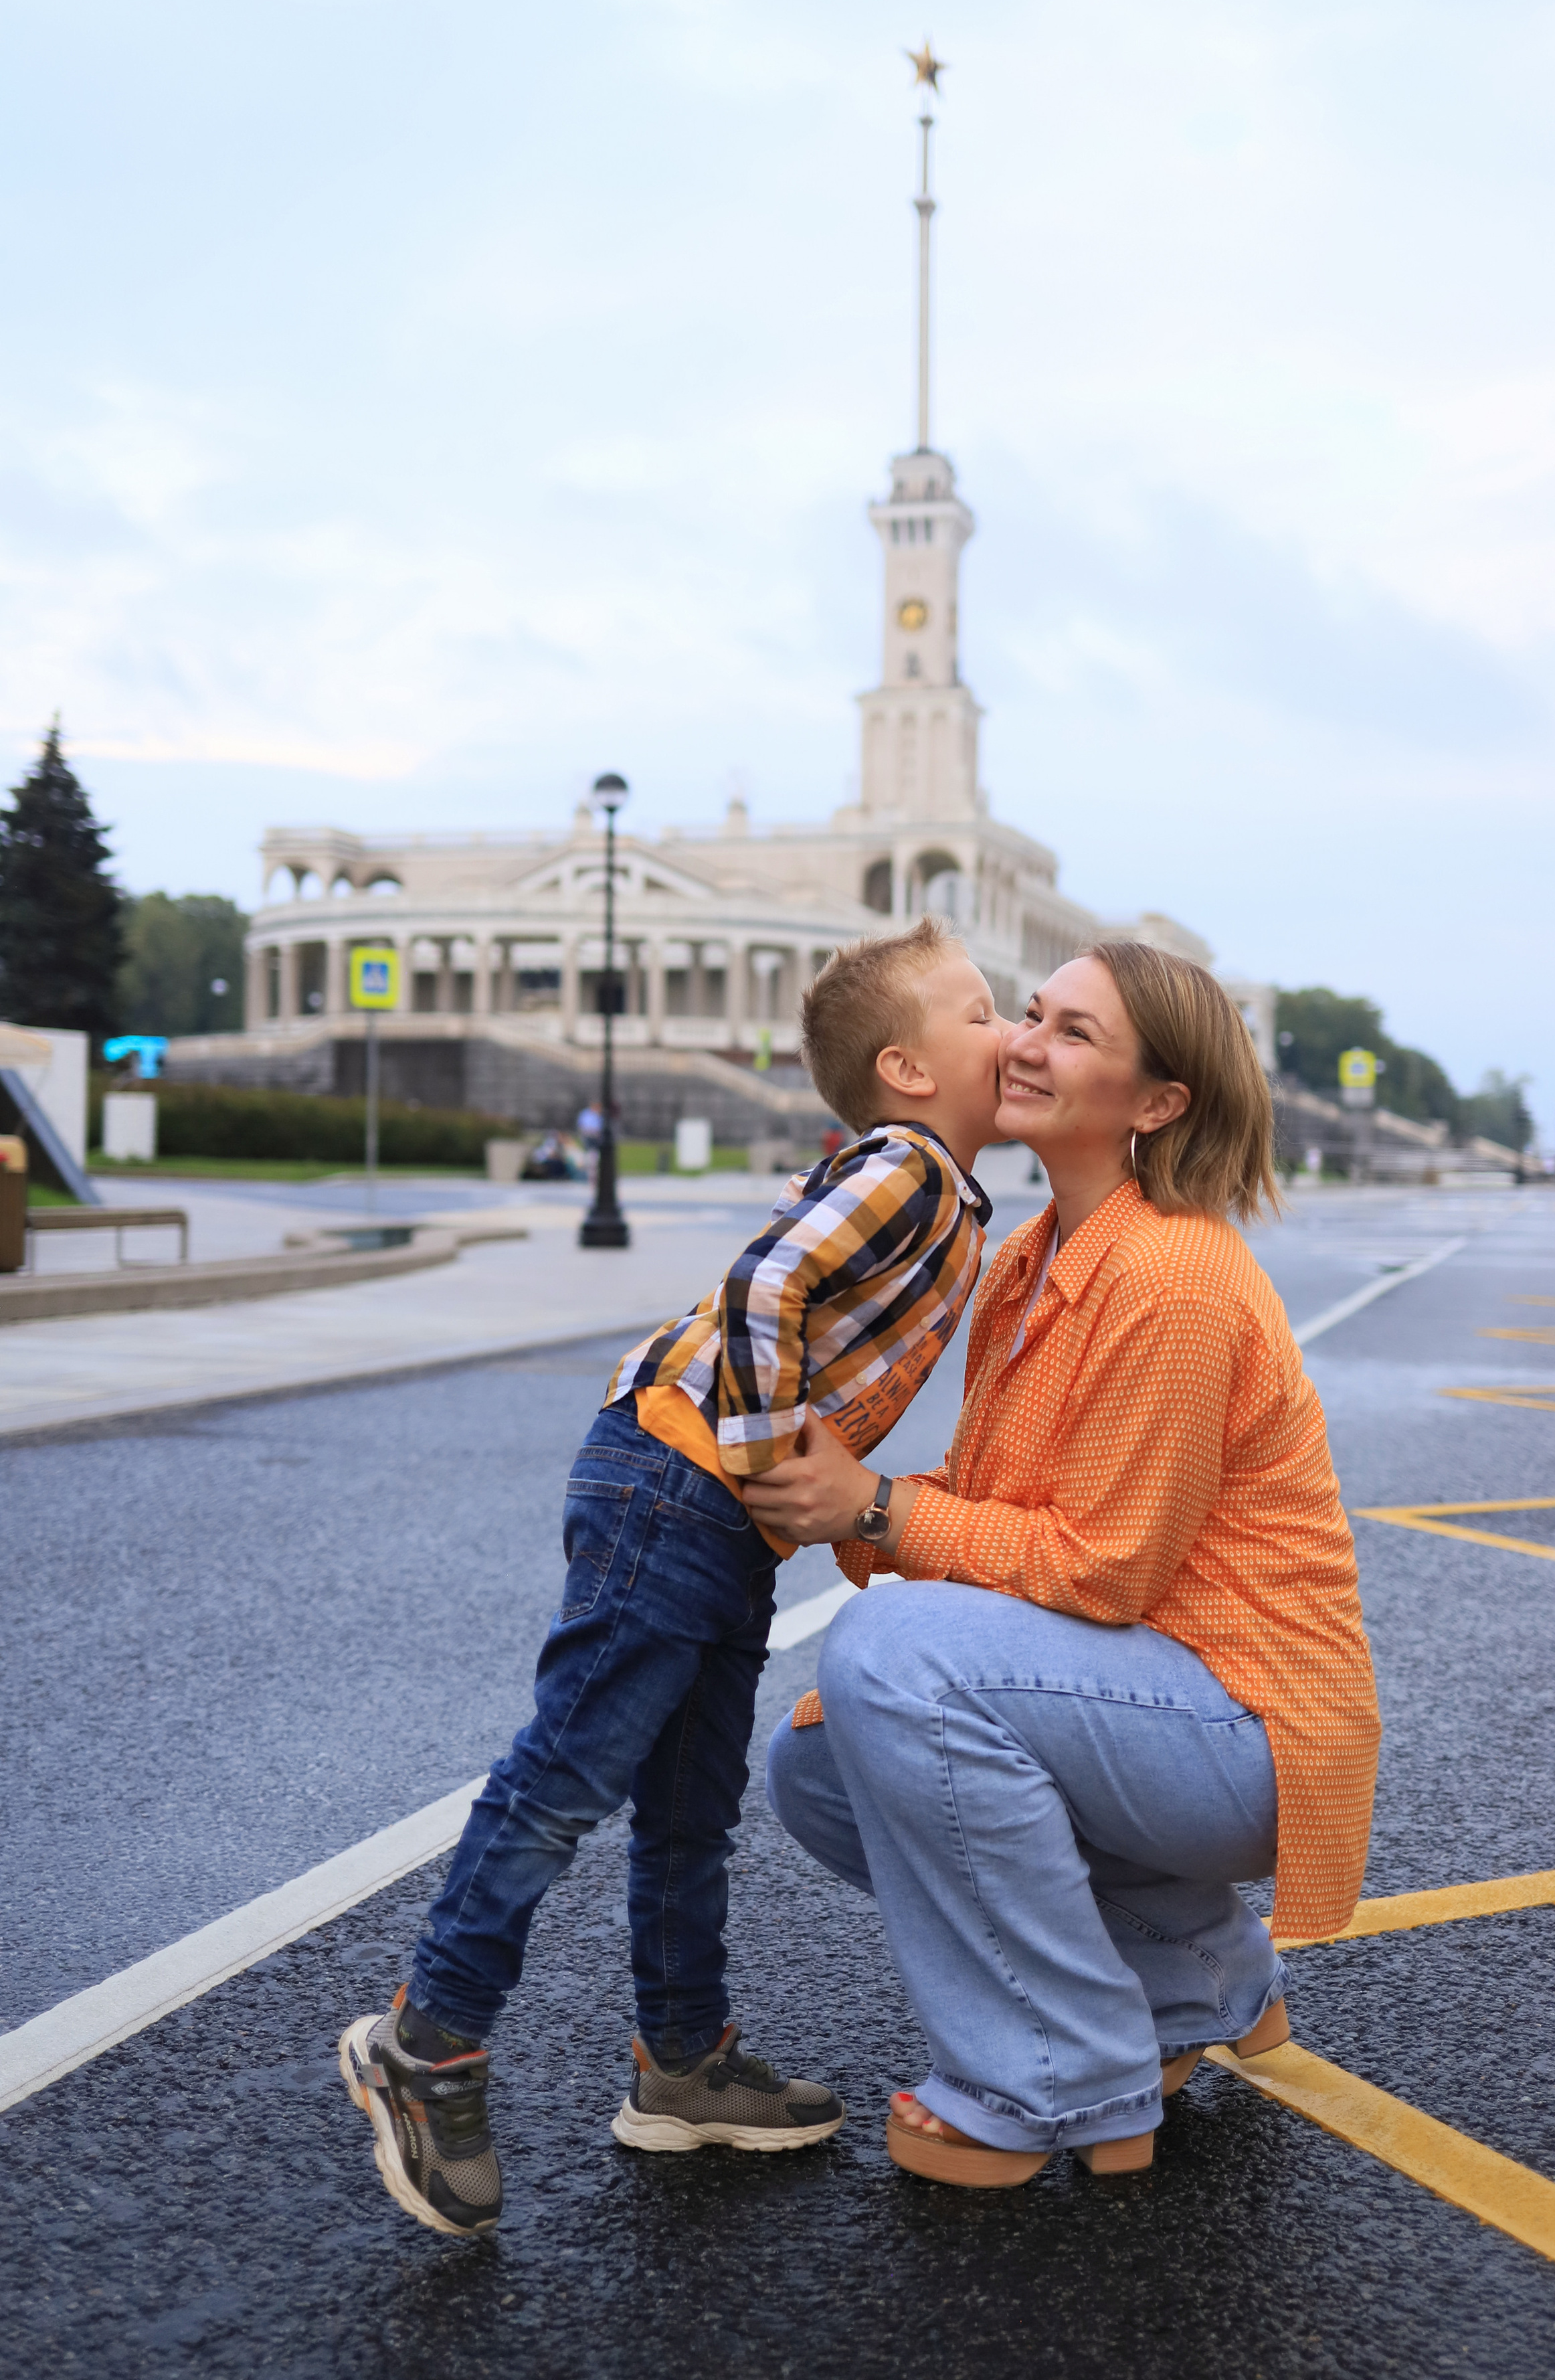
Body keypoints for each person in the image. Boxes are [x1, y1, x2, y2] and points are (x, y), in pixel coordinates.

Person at [339, 918, 1006, 2235]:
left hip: (703, 1497)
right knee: (565, 1779)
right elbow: (767, 1283)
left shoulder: (938, 1181)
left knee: (690, 1807)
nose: (1013, 1029)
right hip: (678, 1480)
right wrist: (766, 1464)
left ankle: (681, 2066)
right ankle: (430, 2042)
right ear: (909, 1070)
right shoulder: (910, 1167)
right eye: (981, 1012)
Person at [755, 942, 1382, 2187]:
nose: (1026, 1043)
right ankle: (1202, 1976)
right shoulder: (1033, 1259)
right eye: (1031, 1013)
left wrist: (874, 1509)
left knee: (889, 1660)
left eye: (1074, 1033)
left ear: (1158, 1105)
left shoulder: (1178, 1275)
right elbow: (1001, 1514)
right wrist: (826, 1497)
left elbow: (1101, 1573)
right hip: (1148, 1701)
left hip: (1244, 1721)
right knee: (824, 1768)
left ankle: (1051, 2079)